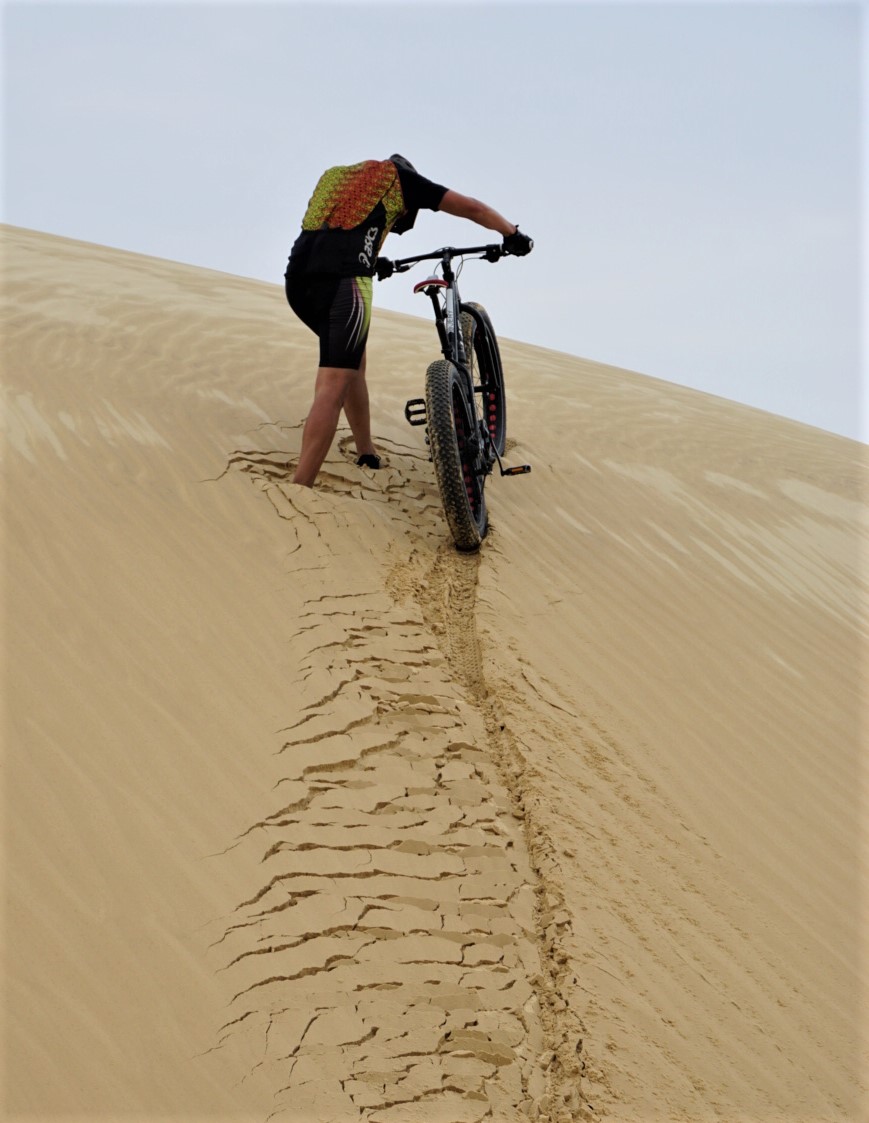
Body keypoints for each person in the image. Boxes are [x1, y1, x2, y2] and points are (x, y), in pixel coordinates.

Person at [284, 154, 533, 487]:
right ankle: (301, 486)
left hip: (298, 281)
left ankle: (366, 450)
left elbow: (336, 231)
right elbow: (473, 207)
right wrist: (511, 234)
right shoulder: (402, 180)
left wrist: (373, 260)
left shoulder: (340, 177)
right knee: (332, 387)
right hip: (345, 285)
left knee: (352, 360)